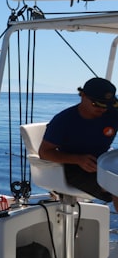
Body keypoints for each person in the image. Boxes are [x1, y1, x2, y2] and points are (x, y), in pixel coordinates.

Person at [39, 77, 118, 211]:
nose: (102, 109)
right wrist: (78, 159)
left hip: (103, 161)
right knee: (116, 185)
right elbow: (44, 152)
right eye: (96, 104)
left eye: (106, 105)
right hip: (75, 167)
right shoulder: (63, 121)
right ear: (83, 95)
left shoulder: (113, 112)